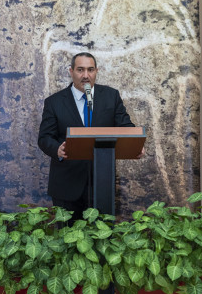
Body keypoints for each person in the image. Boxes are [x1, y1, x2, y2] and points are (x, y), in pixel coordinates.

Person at [38, 52, 140, 220]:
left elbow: (126, 128)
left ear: (96, 71)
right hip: (66, 185)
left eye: (90, 70)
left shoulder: (111, 97)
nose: (86, 75)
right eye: (80, 70)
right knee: (67, 239)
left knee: (103, 239)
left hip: (102, 183)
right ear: (71, 71)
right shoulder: (54, 102)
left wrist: (135, 144)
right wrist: (57, 149)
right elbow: (44, 138)